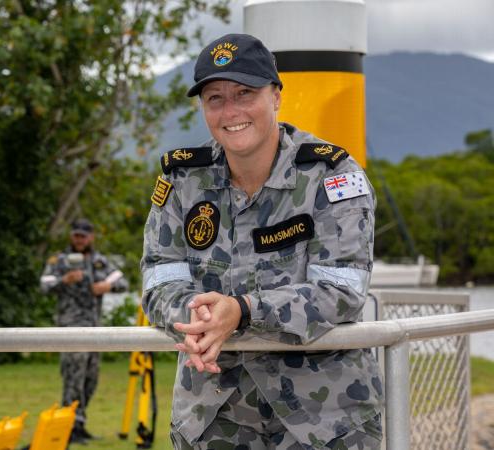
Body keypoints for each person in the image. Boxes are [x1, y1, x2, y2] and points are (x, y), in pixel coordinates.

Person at [140, 33, 382, 450]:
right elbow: (159, 276)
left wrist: (243, 312)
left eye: (244, 93)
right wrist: (197, 318)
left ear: (275, 96)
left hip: (323, 419)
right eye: (215, 98)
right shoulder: (181, 180)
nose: (230, 110)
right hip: (214, 414)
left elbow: (342, 290)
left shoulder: (331, 175)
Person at [40, 218, 129, 444]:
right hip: (70, 329)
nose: (79, 239)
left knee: (91, 378)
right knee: (73, 377)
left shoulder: (100, 261)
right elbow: (44, 285)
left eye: (84, 235)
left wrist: (107, 286)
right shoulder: (60, 260)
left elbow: (123, 282)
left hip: (94, 330)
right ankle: (69, 427)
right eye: (76, 235)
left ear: (91, 237)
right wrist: (64, 280)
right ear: (71, 236)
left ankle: (78, 423)